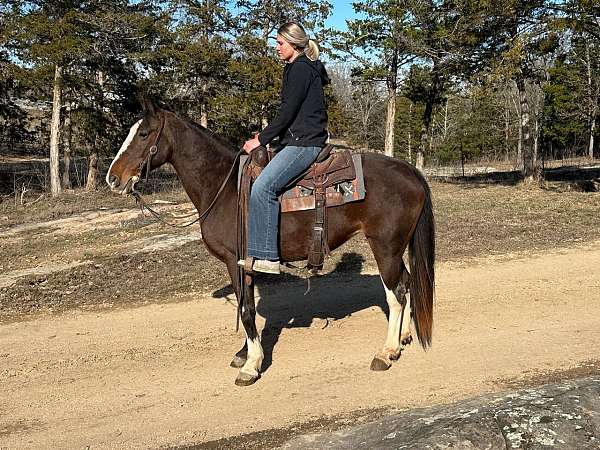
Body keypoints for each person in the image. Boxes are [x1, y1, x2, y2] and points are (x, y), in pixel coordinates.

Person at [241, 22, 330, 274]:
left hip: (304, 143)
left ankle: (268, 256)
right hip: (296, 139)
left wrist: (262, 139)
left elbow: (288, 112)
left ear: (293, 43)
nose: (277, 48)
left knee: (263, 188)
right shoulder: (296, 67)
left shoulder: (301, 69)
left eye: (280, 43)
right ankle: (258, 250)